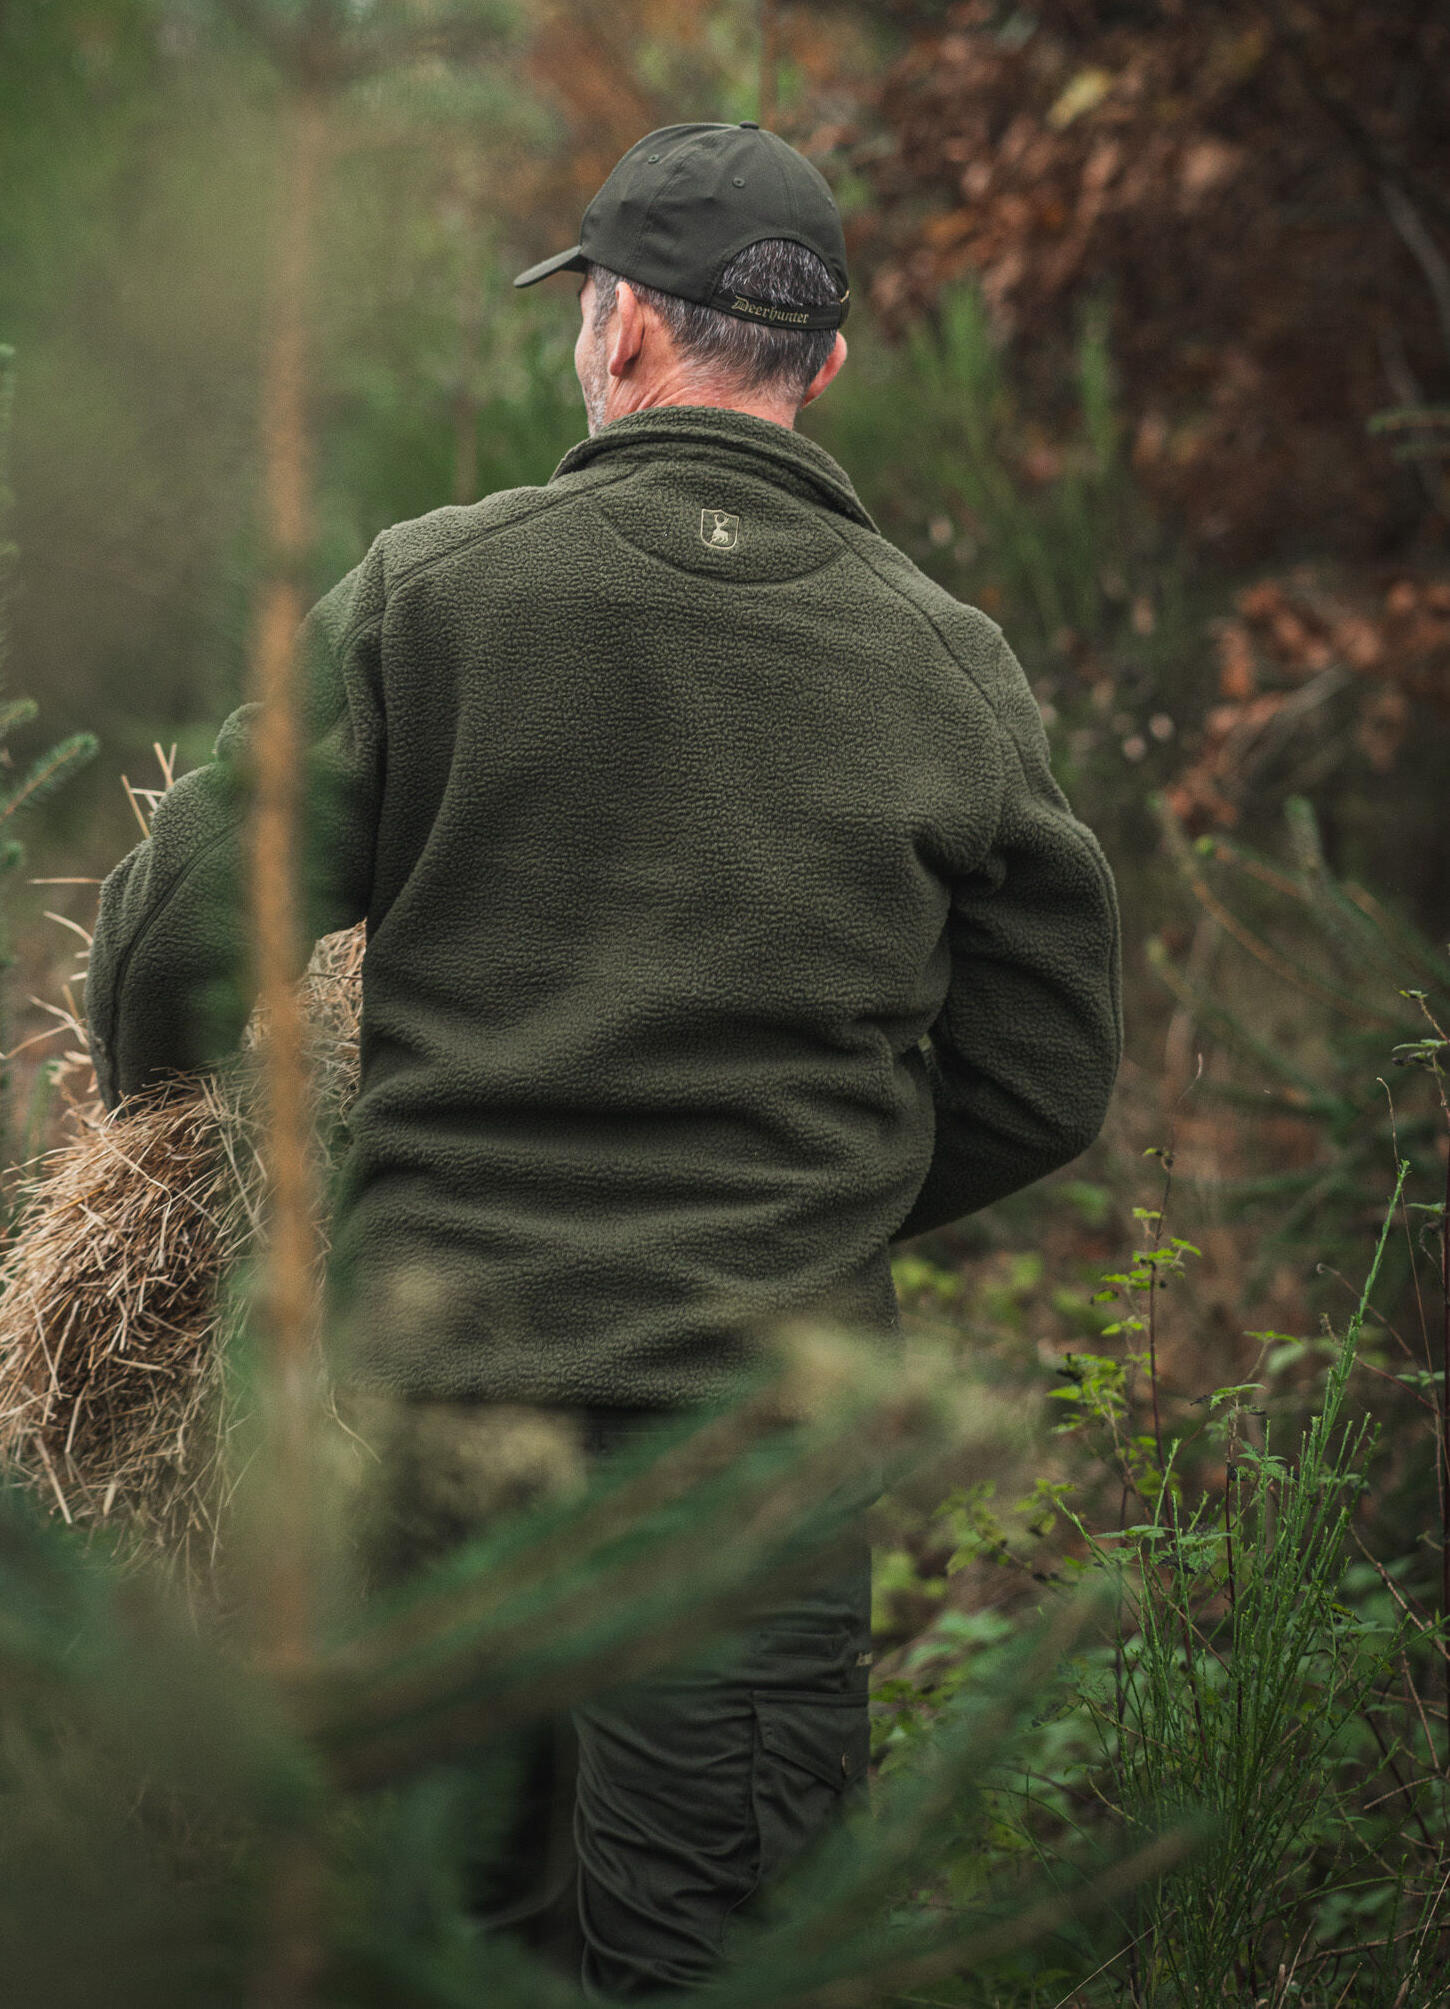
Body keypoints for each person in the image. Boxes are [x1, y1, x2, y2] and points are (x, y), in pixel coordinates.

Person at [85, 119, 1122, 1994]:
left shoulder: (434, 594)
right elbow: (1048, 1072)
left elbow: (178, 936)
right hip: (753, 1460)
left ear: (623, 325)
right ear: (824, 361)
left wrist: (172, 1146)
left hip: (437, 1427)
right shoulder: (944, 663)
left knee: (438, 1944)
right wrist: (814, 1205)